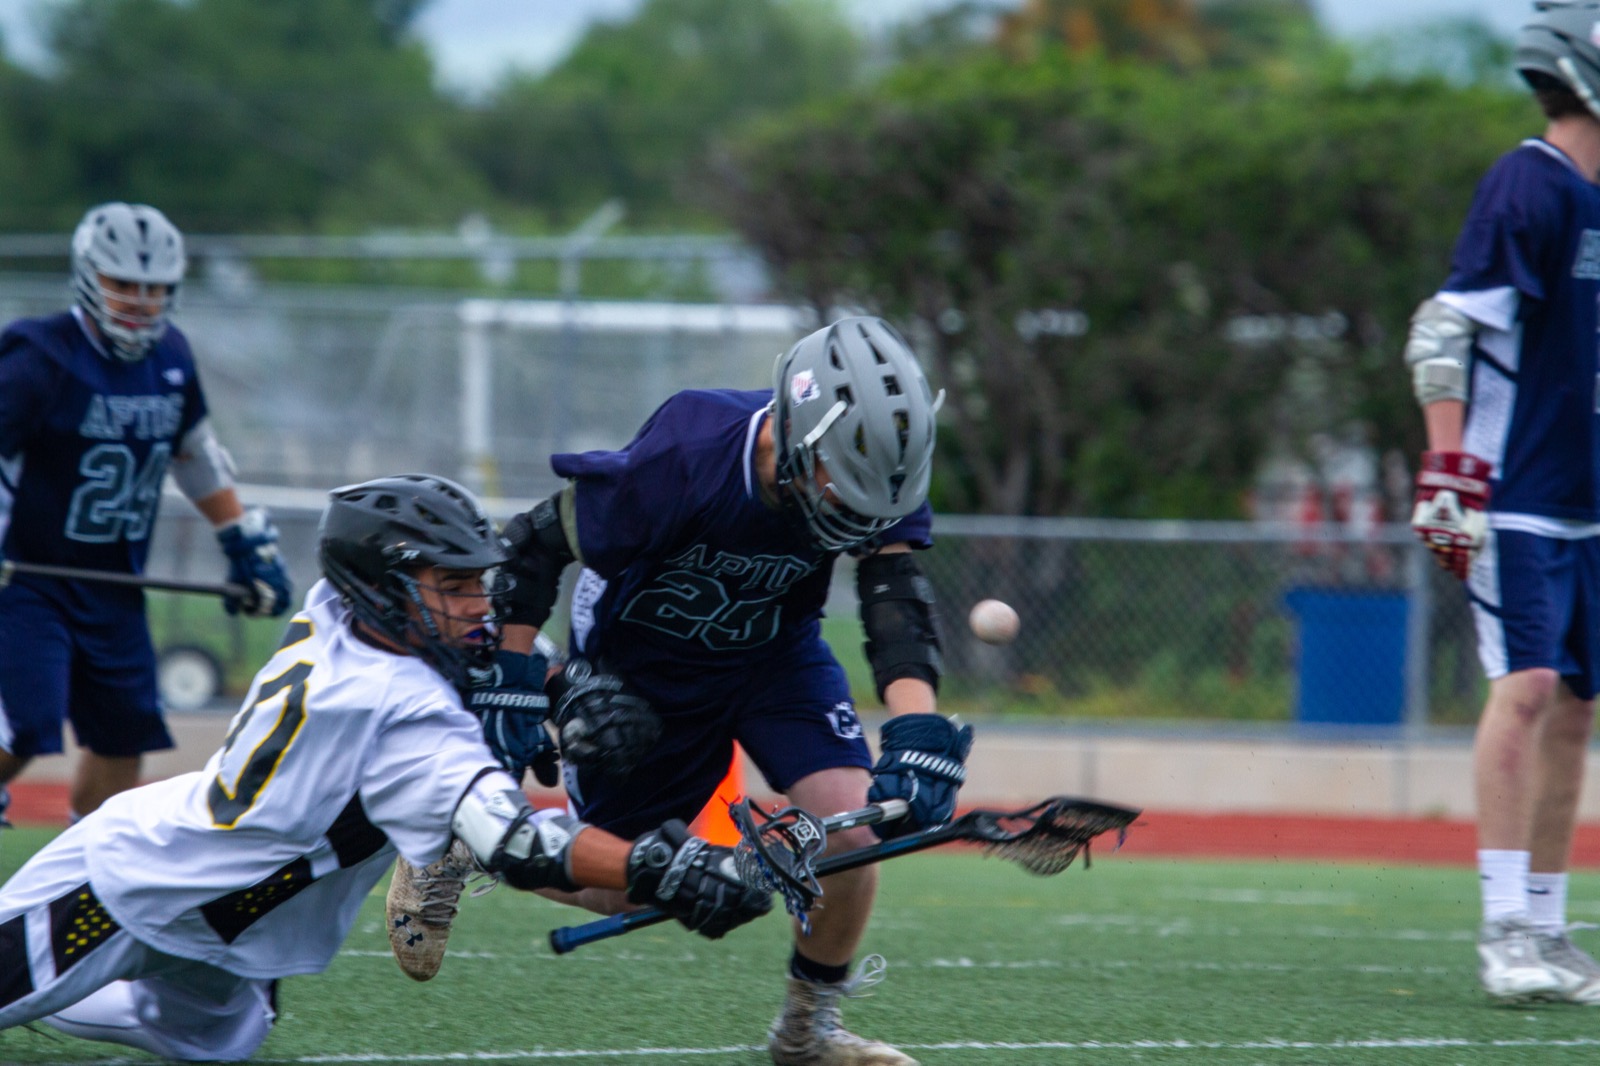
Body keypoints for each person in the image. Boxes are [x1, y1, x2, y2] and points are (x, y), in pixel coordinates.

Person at [0, 474, 772, 1062]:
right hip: (134, 885)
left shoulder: (340, 608)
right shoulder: (400, 710)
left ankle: (89, 992)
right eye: (456, 584)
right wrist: (662, 866)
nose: (480, 604)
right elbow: (523, 850)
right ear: (382, 586)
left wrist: (557, 684)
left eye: (477, 580)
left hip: (241, 931)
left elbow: (475, 653)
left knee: (224, 1046)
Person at [390, 315, 965, 1066]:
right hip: (645, 660)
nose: (857, 512)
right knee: (628, 885)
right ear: (797, 430)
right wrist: (518, 679)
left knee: (853, 836)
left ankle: (805, 1036)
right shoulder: (689, 453)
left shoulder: (875, 461)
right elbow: (532, 548)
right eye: (841, 485)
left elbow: (895, 598)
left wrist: (917, 733)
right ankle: (465, 840)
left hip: (775, 653)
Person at [1406, 1, 1600, 1005]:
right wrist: (1448, 472)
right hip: (1516, 491)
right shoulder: (1527, 182)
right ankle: (1501, 932)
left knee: (1575, 706)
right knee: (1522, 690)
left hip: (1586, 499)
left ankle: (1550, 927)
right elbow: (1441, 331)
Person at [0, 202, 292, 826]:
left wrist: (242, 539)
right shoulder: (38, 355)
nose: (139, 299)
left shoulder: (172, 358)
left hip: (115, 583)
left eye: (154, 287)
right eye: (123, 284)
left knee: (123, 741)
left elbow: (195, 455)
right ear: (88, 276)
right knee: (23, 724)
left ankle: (88, 866)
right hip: (30, 578)